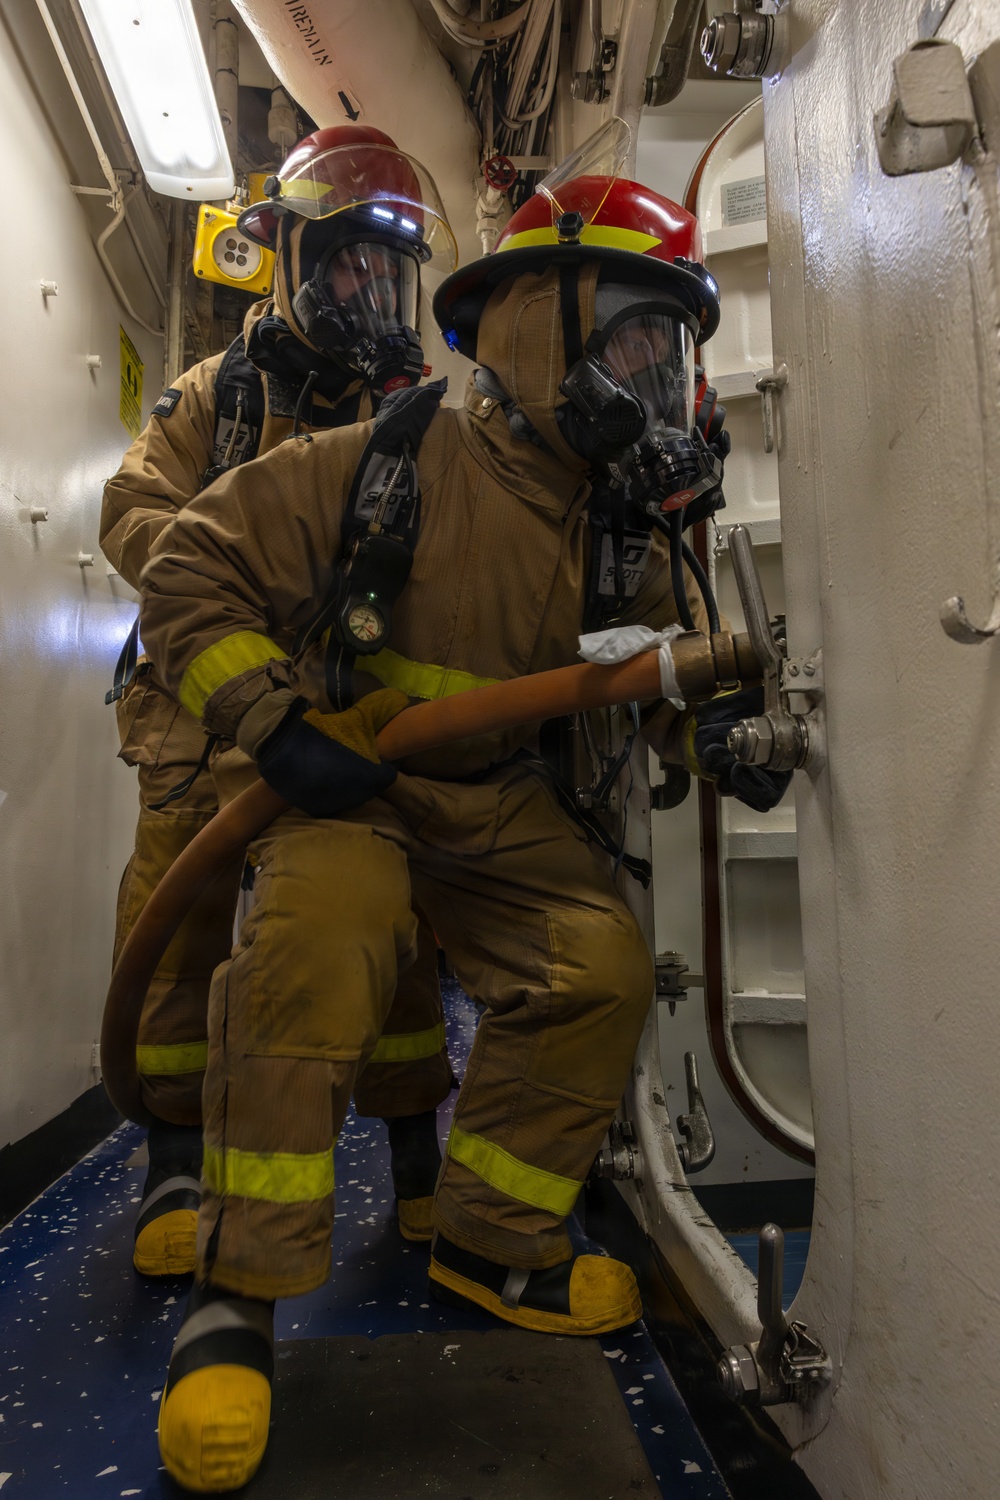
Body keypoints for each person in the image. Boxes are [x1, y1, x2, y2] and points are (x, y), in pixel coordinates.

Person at [137, 164, 789, 1493]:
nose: (657, 382)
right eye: (636, 340)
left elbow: (647, 672)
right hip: (356, 785)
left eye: (673, 353)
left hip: (499, 803)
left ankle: (490, 1238)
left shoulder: (624, 523)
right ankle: (238, 1293)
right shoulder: (385, 460)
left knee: (597, 965)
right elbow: (183, 565)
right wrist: (271, 723)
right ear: (539, 321)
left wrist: (709, 735)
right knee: (314, 946)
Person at [99, 125, 458, 1280]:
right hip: (203, 718)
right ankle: (171, 1173)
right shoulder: (222, 396)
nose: (368, 290)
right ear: (295, 255)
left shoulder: (414, 419)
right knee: (178, 927)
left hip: (340, 719)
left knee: (393, 930)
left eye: (385, 271)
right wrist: (246, 566)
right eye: (348, 262)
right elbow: (132, 514)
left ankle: (415, 1164)